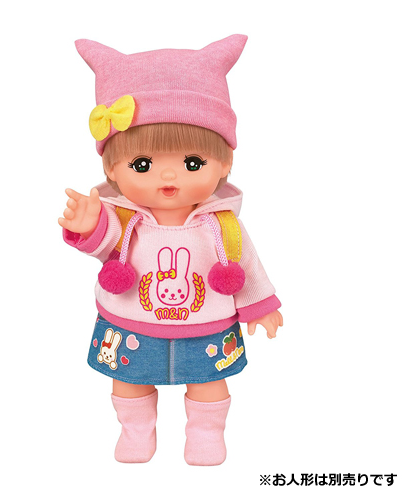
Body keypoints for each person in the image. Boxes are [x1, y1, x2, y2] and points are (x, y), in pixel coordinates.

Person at [59, 35, 283, 466]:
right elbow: (105, 244)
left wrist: (260, 304)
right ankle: (136, 433)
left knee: (209, 384)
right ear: (111, 168)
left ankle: (206, 434)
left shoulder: (223, 225)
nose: (168, 176)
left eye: (192, 163)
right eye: (141, 165)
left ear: (225, 163)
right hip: (130, 323)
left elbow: (246, 265)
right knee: (128, 383)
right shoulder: (123, 218)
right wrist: (89, 226)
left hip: (207, 327)